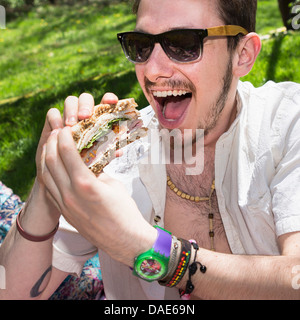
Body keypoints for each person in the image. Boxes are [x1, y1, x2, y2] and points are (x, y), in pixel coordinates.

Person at [1, 0, 300, 300]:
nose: (153, 71)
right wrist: (46, 185)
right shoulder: (115, 153)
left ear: (243, 55)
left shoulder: (287, 123)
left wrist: (146, 248)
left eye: (184, 43)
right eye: (141, 45)